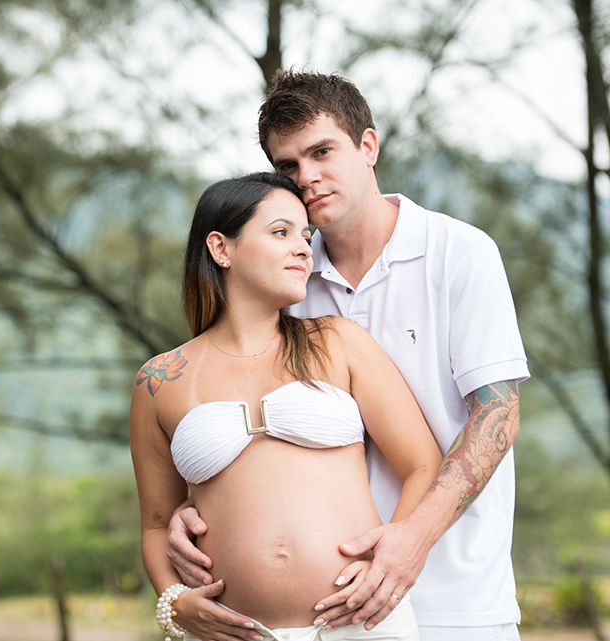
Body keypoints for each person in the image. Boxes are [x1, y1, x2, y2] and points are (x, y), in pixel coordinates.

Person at [166, 70, 530, 641]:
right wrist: (193, 515)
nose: (306, 177)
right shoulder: (286, 281)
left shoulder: (458, 252)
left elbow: (499, 414)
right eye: (288, 166)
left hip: (458, 595)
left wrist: (412, 540)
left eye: (322, 152)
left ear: (367, 146)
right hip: (329, 611)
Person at [130, 172, 443, 641]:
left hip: (359, 624)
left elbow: (424, 464)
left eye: (306, 235)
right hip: (231, 632)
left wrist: (394, 554)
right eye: (281, 232)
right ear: (221, 248)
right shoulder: (159, 381)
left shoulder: (338, 343)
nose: (303, 248)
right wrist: (175, 602)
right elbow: (157, 525)